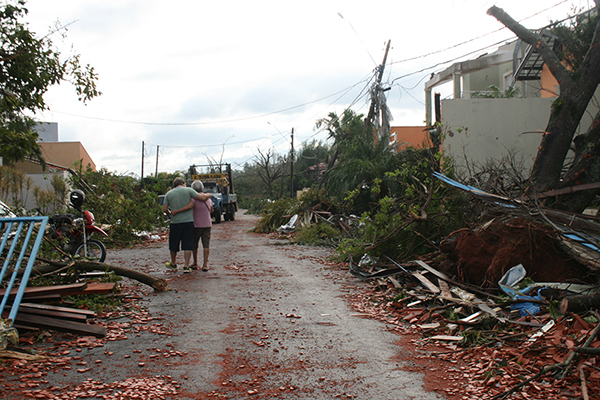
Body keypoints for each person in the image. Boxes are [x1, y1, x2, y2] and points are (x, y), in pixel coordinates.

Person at [162, 177, 211, 272]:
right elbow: (203, 198)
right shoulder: (189, 191)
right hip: (188, 221)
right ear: (183, 183)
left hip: (175, 222)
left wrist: (170, 213)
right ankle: (186, 265)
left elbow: (164, 209)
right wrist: (209, 194)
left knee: (174, 243)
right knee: (187, 244)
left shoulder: (168, 194)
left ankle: (173, 263)